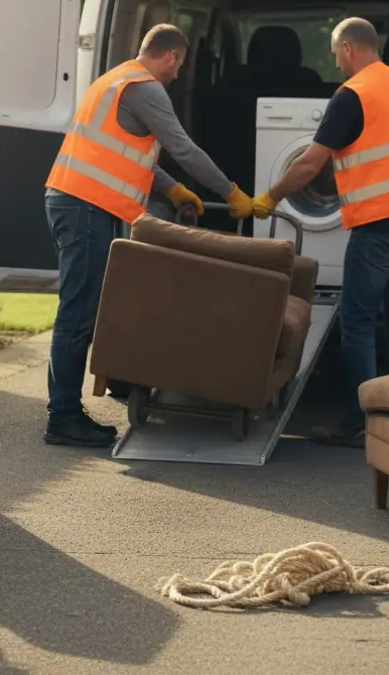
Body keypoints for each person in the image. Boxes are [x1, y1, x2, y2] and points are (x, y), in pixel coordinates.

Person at [42, 23, 256, 447]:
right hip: (84, 206)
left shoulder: (115, 78)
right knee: (78, 311)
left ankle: (113, 381)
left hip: (77, 201)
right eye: (180, 64)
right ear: (172, 56)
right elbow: (184, 149)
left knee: (95, 303)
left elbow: (127, 153)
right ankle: (62, 417)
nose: (178, 75)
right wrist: (231, 193)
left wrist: (171, 188)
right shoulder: (146, 88)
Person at [249, 17, 389, 448]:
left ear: (350, 48)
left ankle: (360, 421)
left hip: (379, 226)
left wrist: (270, 197)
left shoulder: (352, 94)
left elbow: (307, 164)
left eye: (337, 53)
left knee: (357, 322)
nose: (337, 63)